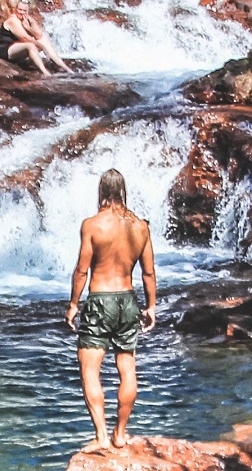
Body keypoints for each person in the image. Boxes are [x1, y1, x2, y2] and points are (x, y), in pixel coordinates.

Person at [66, 169, 157, 452]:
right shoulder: (141, 226)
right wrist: (151, 305)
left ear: (102, 192)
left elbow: (82, 269)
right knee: (127, 369)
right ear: (123, 191)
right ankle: (121, 434)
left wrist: (73, 305)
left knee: (90, 370)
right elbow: (149, 273)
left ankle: (102, 436)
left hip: (100, 300)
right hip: (128, 300)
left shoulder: (92, 225)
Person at [0, 0, 74, 75]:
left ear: (28, 11)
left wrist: (28, 27)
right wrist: (43, 48)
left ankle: (65, 68)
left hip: (19, 47)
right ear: (16, 9)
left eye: (24, 10)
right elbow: (25, 38)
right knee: (30, 45)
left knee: (43, 40)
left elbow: (39, 36)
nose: (21, 12)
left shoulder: (29, 19)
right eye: (19, 9)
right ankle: (45, 72)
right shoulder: (13, 20)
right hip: (6, 49)